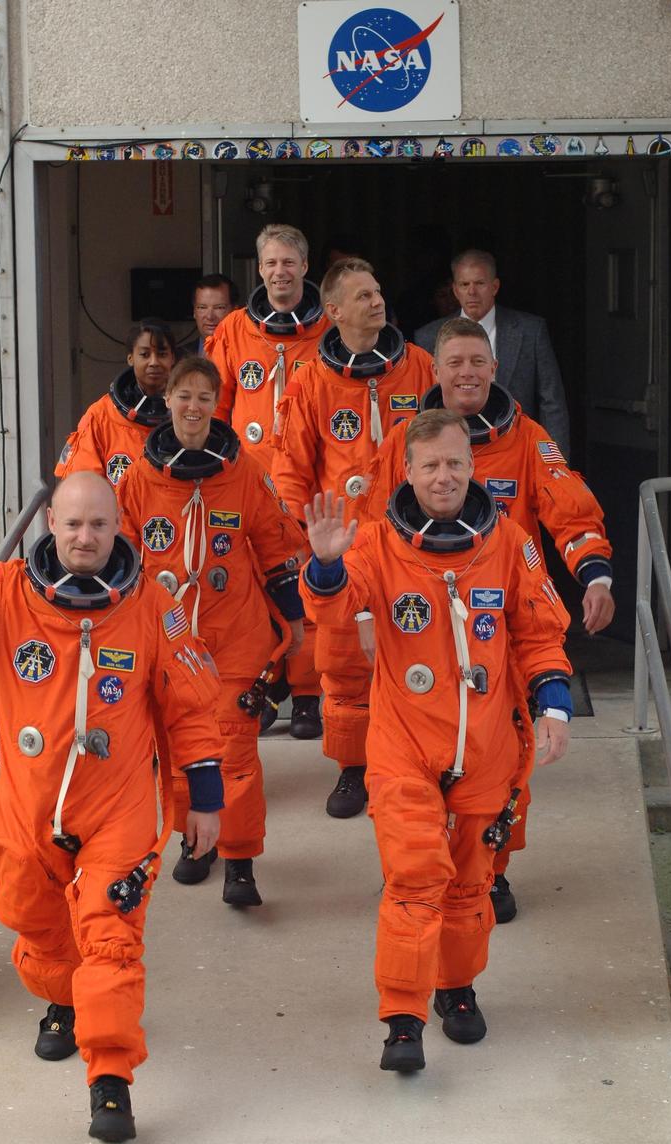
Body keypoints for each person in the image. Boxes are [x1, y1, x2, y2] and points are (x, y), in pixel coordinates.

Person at [0, 473, 223, 1142]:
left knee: (110, 938)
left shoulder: (153, 605)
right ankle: (64, 1001)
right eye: (72, 525)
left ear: (119, 526)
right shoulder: (10, 594)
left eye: (98, 524)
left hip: (117, 810)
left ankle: (111, 1081)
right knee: (34, 923)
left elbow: (191, 709)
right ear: (52, 528)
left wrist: (203, 801)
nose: (85, 537)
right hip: (28, 811)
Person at [300, 410, 573, 1072]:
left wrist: (555, 704)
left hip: (485, 747)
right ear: (408, 473)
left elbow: (538, 631)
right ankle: (402, 1016)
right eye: (430, 466)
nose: (444, 477)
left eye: (455, 464)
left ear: (472, 468)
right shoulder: (374, 543)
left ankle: (456, 987)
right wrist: (328, 566)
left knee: (470, 885)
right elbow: (334, 610)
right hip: (404, 748)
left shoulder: (508, 542)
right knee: (415, 875)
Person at [358, 316, 614, 921]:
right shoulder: (404, 442)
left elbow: (566, 505)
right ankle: (416, 869)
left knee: (505, 763)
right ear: (436, 369)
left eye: (478, 362)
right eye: (455, 363)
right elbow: (371, 528)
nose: (467, 373)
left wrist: (593, 571)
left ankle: (491, 870)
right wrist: (366, 610)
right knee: (410, 762)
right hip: (418, 626)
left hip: (497, 622)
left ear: (494, 369)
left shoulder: (524, 437)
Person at [118, 356, 307, 907]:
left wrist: (293, 620)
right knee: (178, 750)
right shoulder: (138, 476)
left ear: (216, 405)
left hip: (235, 637)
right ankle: (196, 841)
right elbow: (124, 558)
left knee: (236, 753)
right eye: (184, 396)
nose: (194, 407)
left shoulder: (244, 471)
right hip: (170, 643)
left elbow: (274, 546)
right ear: (168, 401)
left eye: (205, 397)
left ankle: (240, 861)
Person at [271, 256, 434, 819]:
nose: (377, 300)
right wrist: (302, 539)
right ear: (334, 310)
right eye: (363, 295)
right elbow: (290, 466)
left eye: (379, 290)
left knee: (417, 645)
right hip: (342, 542)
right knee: (342, 662)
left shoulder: (418, 368)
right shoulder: (311, 380)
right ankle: (352, 769)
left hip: (411, 538)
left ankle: (420, 761)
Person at [205, 224, 328, 740]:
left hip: (306, 485)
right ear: (259, 270)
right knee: (250, 595)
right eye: (270, 263)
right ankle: (261, 688)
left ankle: (306, 696)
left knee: (309, 594)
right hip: (249, 488)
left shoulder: (329, 329)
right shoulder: (235, 330)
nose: (280, 272)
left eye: (289, 263)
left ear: (304, 267)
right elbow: (217, 406)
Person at [414, 250, 571, 456]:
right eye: (464, 285)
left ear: (495, 286)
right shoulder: (427, 337)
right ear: (455, 289)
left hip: (518, 452)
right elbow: (421, 404)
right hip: (450, 454)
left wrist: (555, 465)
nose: (472, 292)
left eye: (479, 284)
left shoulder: (530, 331)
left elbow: (552, 403)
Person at [56, 317, 177, 487]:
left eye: (162, 354)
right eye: (145, 354)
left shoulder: (189, 412)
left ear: (173, 358)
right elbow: (83, 485)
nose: (154, 362)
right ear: (130, 358)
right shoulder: (101, 415)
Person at [179, 273, 239, 357]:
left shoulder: (248, 354)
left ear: (235, 312)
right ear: (194, 311)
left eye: (219, 308)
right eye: (202, 307)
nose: (210, 316)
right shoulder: (178, 357)